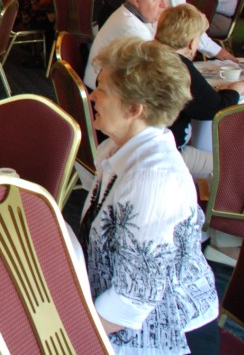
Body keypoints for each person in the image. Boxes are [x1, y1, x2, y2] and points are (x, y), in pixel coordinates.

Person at [81, 37, 218, 354]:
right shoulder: (115, 149)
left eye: (102, 89)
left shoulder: (152, 180)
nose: (91, 96)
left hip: (168, 331)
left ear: (134, 109)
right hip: (125, 312)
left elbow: (132, 301)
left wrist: (56, 334)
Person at [154, 4, 244, 180]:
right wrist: (236, 89)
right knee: (243, 168)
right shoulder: (177, 66)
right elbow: (216, 110)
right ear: (193, 42)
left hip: (146, 143)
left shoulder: (151, 52)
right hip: (164, 153)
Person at [84, 0, 168, 90]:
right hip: (102, 94)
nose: (164, 5)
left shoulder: (129, 13)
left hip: (109, 86)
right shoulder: (133, 29)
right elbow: (155, 72)